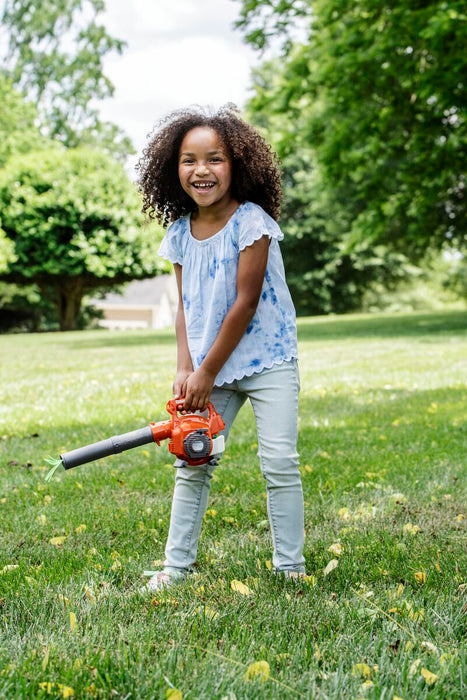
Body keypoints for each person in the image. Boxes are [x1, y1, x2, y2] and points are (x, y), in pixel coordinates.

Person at [136, 105, 305, 591]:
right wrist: (185, 368)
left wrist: (204, 371)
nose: (202, 170)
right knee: (193, 460)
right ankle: (176, 569)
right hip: (211, 365)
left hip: (267, 358)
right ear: (175, 170)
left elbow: (246, 303)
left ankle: (290, 569)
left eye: (216, 159)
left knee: (278, 461)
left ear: (239, 165)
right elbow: (186, 308)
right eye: (190, 160)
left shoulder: (252, 222)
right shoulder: (179, 234)